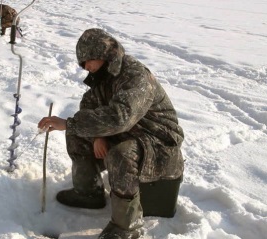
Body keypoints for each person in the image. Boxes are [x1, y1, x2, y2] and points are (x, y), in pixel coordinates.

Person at [37, 28, 184, 239]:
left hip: (158, 142)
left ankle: (126, 227)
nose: (86, 67)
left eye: (88, 60)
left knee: (120, 154)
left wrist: (69, 123)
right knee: (77, 133)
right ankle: (89, 192)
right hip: (130, 132)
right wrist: (98, 136)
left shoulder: (135, 76)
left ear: (104, 55)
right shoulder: (104, 75)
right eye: (83, 64)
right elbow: (89, 105)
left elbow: (120, 117)